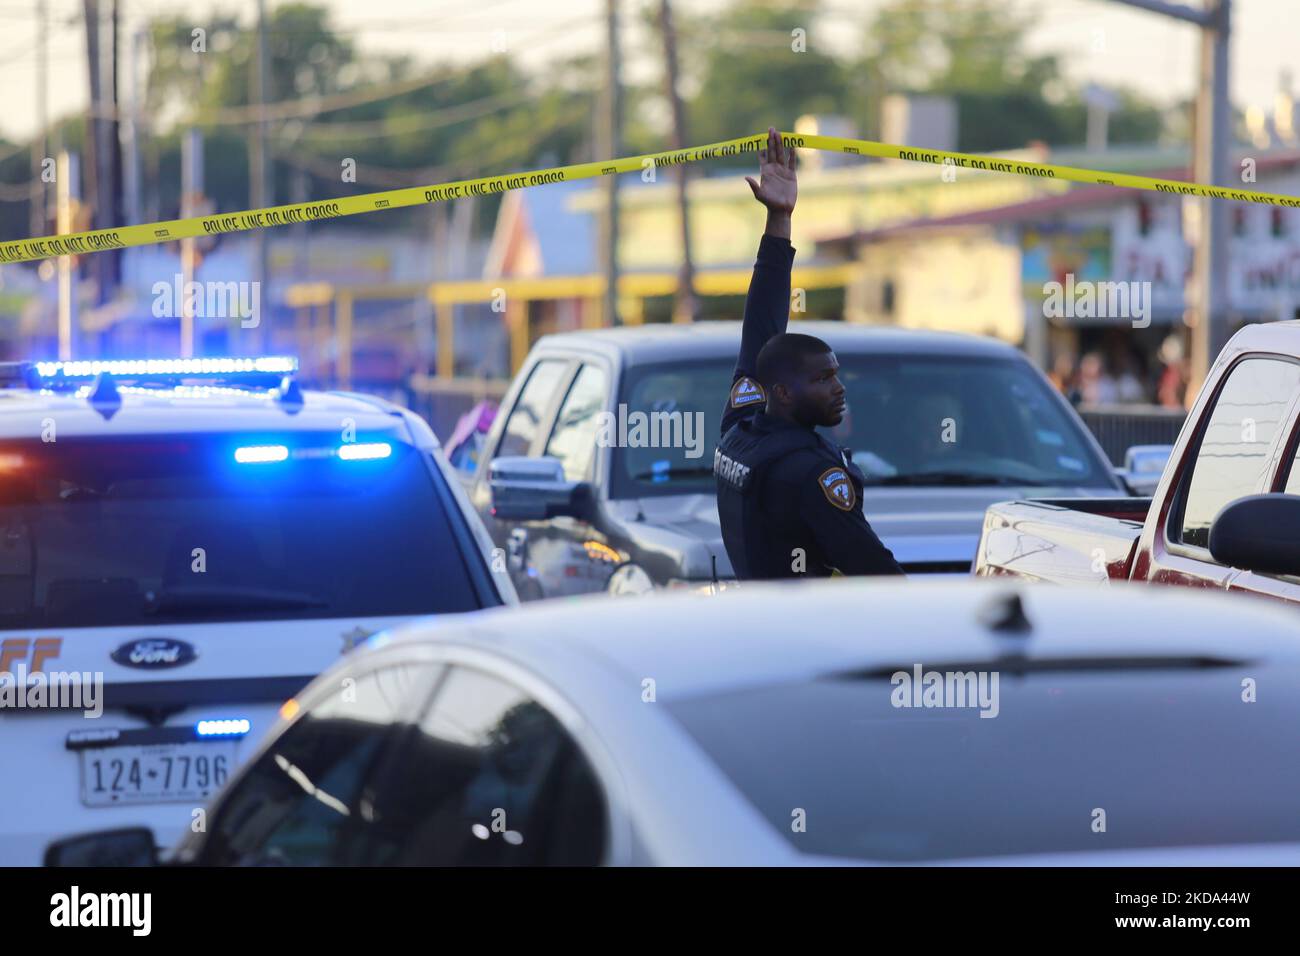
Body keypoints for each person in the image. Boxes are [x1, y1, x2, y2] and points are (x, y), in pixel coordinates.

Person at [714, 127, 904, 580]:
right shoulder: (809, 475)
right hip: (808, 640)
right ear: (780, 391)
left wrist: (779, 220)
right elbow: (877, 573)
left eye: (836, 375)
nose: (839, 389)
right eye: (821, 380)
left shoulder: (741, 428)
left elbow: (762, 324)